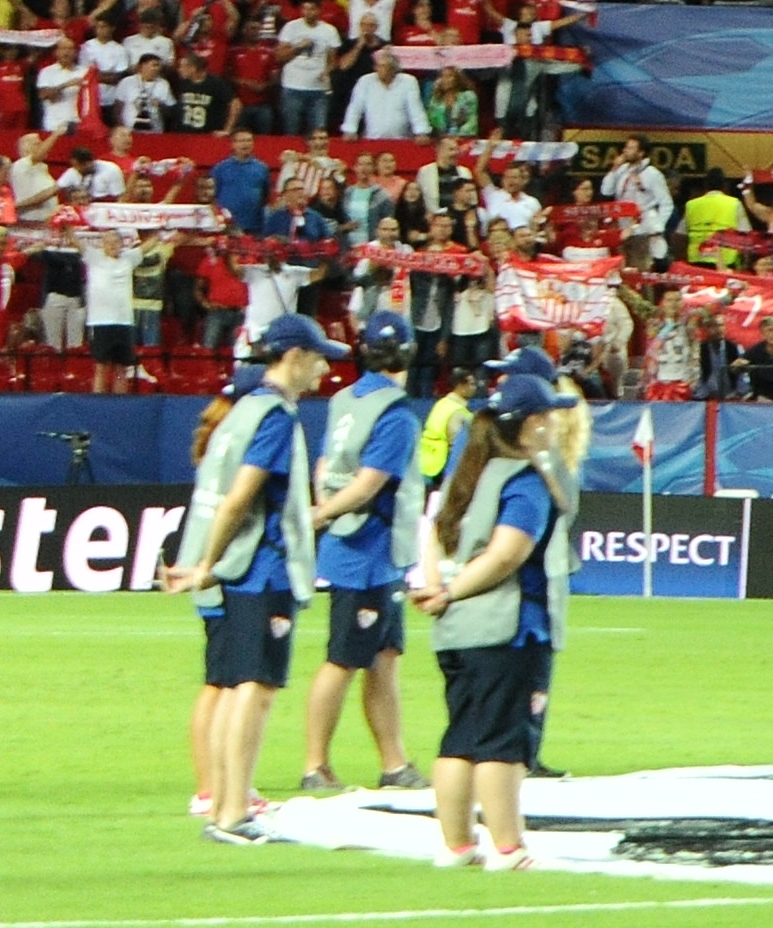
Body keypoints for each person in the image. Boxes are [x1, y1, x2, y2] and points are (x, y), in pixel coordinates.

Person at [405, 354, 581, 870]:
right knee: (501, 743)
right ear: (530, 424)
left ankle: (457, 844)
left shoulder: (471, 473)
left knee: (460, 737)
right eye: (547, 415)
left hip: (455, 632)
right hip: (506, 626)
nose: (553, 423)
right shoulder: (523, 481)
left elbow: (435, 534)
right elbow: (508, 553)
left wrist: (438, 589)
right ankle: (508, 846)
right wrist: (452, 592)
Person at [184, 321, 333, 839]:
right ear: (293, 355)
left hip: (234, 568)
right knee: (256, 688)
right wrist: (209, 560)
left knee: (230, 686)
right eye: (318, 357)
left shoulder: (241, 410)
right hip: (260, 566)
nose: (325, 367)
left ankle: (225, 806)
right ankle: (231, 813)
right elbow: (241, 496)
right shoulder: (273, 415)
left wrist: (206, 563)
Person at [279, 332, 421, 798]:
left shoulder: (345, 398)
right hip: (369, 547)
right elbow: (368, 485)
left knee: (383, 657)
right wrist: (318, 516)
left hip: (359, 545)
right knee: (344, 658)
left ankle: (394, 762)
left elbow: (325, 465)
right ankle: (315, 764)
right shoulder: (395, 413)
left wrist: (322, 509)